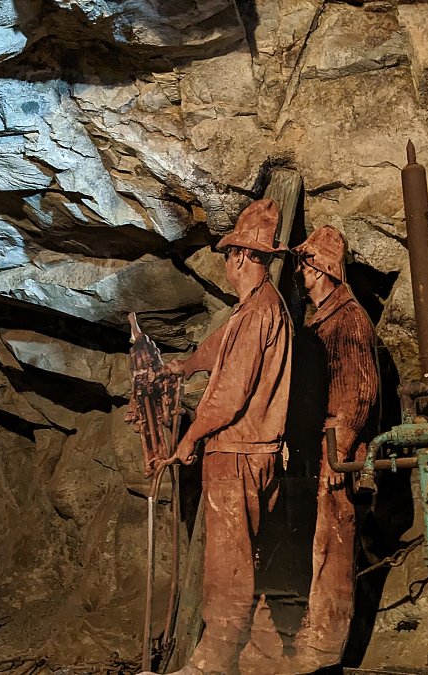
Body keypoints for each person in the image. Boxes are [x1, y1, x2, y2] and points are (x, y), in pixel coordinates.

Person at [164, 198, 293, 675]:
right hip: (255, 453)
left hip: (237, 454)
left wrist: (191, 437)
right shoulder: (258, 308)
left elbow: (230, 395)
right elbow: (217, 349)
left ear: (240, 257)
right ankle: (261, 661)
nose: (226, 263)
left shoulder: (258, 313)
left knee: (228, 567)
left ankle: (212, 662)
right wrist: (185, 365)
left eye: (228, 255)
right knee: (252, 560)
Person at [288, 225, 378, 672]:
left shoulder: (349, 319)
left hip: (340, 452)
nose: (300, 271)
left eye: (306, 263)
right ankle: (314, 636)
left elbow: (360, 391)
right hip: (322, 448)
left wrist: (337, 452)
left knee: (334, 546)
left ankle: (324, 649)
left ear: (322, 268)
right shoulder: (323, 319)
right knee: (319, 545)